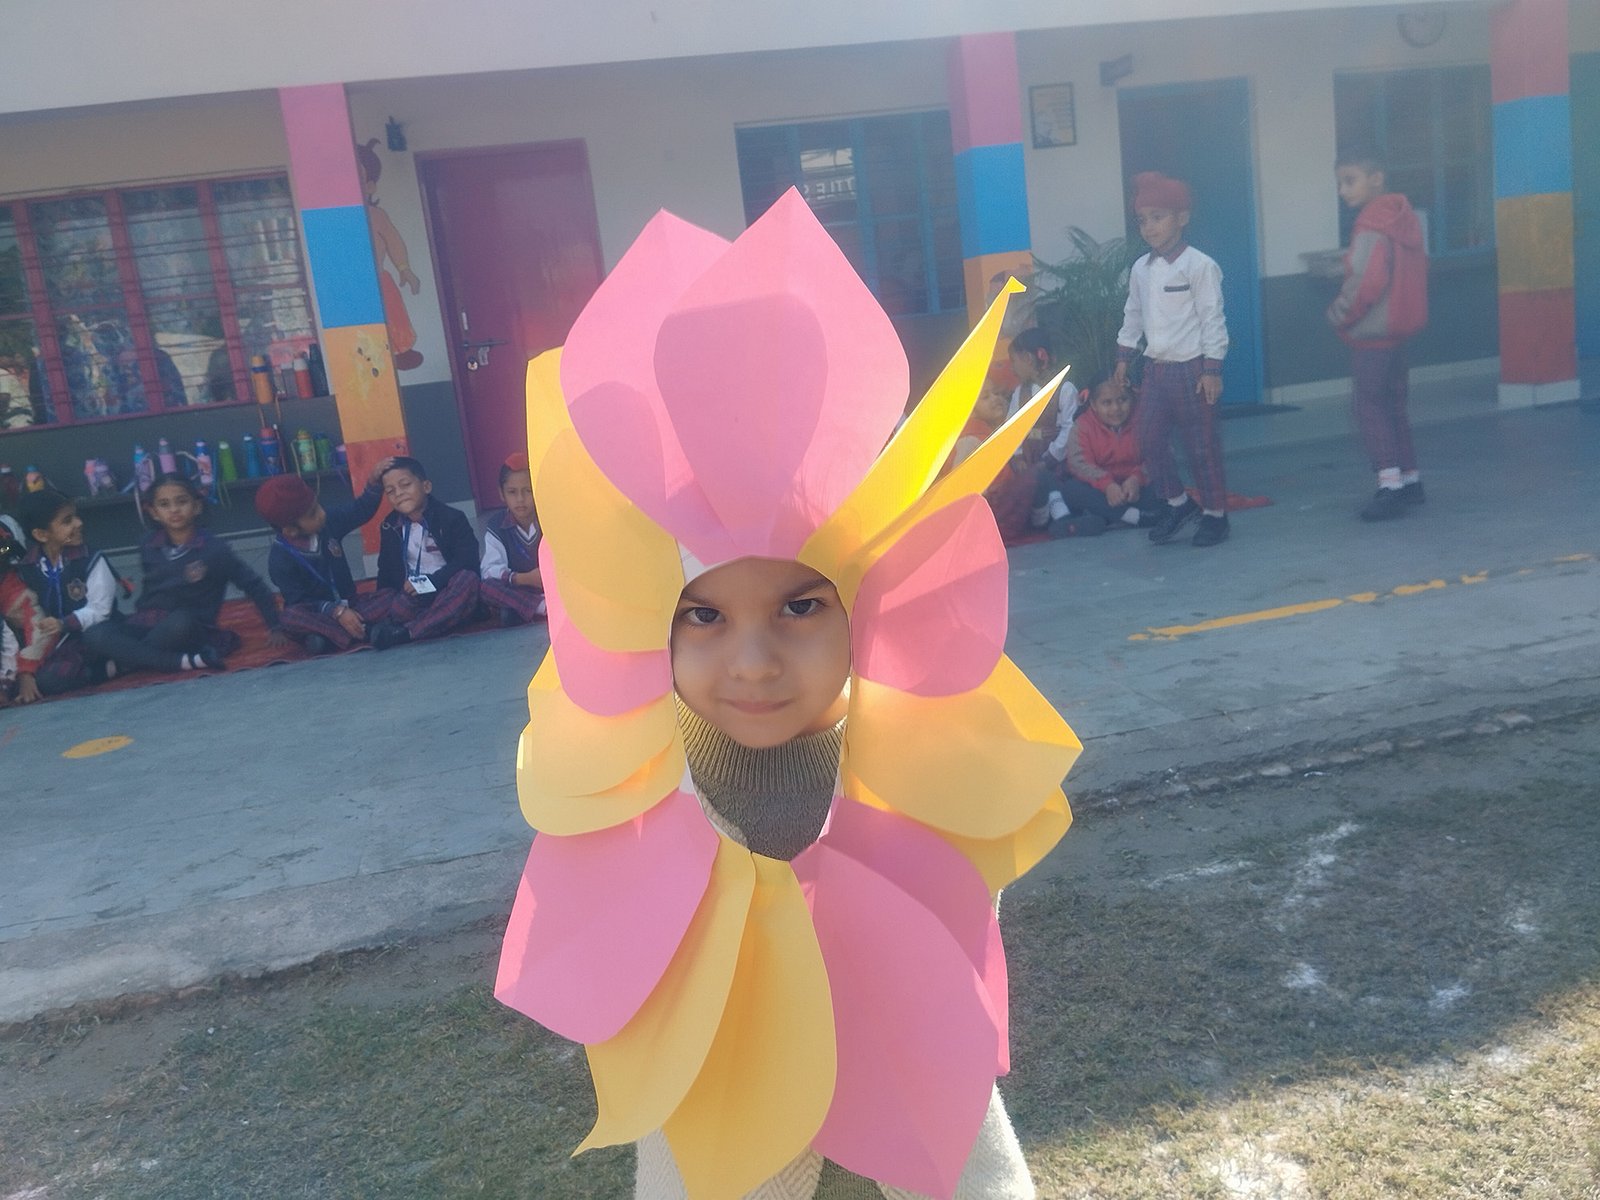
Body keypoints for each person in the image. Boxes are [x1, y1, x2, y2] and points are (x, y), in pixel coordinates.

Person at [496, 191, 1082, 1200]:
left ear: (866, 606)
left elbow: (958, 859)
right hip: (723, 1040)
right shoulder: (642, 762)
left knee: (961, 1165)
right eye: (704, 617)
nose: (755, 663)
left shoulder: (909, 738)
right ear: (644, 626)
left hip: (897, 1006)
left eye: (800, 608)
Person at [1114, 171, 1232, 548]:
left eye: (1158, 217)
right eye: (1142, 219)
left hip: (1193, 370)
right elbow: (1133, 313)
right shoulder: (1140, 269)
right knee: (1146, 438)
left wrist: (1212, 368)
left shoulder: (1200, 266)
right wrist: (1124, 355)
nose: (1149, 227)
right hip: (1156, 371)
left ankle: (1215, 515)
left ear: (1182, 218)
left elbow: (1212, 318)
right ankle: (1179, 504)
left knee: (1201, 446)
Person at [1328, 147, 1429, 522]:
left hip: (1373, 334)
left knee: (1368, 406)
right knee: (1394, 406)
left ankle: (1389, 486)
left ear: (1377, 179)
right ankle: (1410, 478)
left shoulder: (1371, 224)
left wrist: (1338, 314)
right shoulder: (1404, 219)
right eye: (1340, 183)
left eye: (1349, 180)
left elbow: (1365, 282)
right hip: (1401, 330)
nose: (1342, 190)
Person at [129, 473, 287, 671]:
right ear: (153, 512)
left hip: (189, 628)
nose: (174, 509)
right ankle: (154, 660)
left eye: (181, 502)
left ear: (197, 506)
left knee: (180, 622)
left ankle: (125, 660)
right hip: (150, 624)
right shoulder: (148, 544)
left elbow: (253, 585)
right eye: (164, 504)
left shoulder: (214, 550)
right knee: (99, 633)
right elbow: (149, 592)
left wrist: (275, 625)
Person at [254, 459, 394, 654]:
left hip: (351, 604)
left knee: (391, 595)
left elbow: (360, 510)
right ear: (291, 530)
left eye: (318, 505)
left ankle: (330, 639)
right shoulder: (280, 561)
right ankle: (365, 631)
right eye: (313, 514)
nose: (321, 514)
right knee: (289, 617)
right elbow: (299, 602)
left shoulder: (328, 522)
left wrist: (374, 484)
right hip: (318, 613)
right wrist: (335, 612)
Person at [12, 488, 125, 695]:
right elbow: (32, 619)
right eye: (67, 521)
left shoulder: (89, 558)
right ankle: (111, 667)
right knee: (23, 684)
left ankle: (110, 667)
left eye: (75, 516)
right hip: (58, 641)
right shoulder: (28, 569)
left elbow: (101, 610)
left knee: (52, 678)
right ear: (41, 534)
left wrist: (64, 623)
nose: (79, 523)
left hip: (97, 633)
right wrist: (26, 670)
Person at [366, 457, 480, 649]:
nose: (399, 493)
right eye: (391, 491)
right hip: (412, 595)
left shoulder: (452, 518)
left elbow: (467, 560)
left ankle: (407, 632)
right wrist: (385, 599)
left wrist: (433, 581)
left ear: (426, 487)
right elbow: (385, 571)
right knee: (379, 600)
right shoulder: (389, 525)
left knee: (468, 580)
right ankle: (384, 626)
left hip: (446, 588)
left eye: (405, 485)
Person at [1061, 372, 1160, 533]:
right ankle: (1133, 517)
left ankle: (1109, 517)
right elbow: (1078, 464)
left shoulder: (1144, 420)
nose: (1116, 408)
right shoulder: (1082, 426)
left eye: (1122, 400)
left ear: (1132, 398)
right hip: (1101, 490)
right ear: (1093, 405)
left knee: (1163, 486)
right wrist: (1107, 485)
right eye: (1107, 403)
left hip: (1136, 489)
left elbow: (1158, 456)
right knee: (1071, 489)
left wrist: (1137, 478)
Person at [479, 452, 546, 627]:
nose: (520, 499)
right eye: (512, 492)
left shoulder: (549, 519)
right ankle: (541, 607)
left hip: (551, 585)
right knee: (486, 587)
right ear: (502, 494)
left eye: (528, 491)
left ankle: (522, 610)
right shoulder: (497, 525)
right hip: (518, 588)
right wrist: (523, 578)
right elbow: (489, 570)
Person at [0, 522, 59, 705]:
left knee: (47, 680)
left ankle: (106, 667)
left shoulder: (18, 591)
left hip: (36, 650)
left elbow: (42, 629)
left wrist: (26, 671)